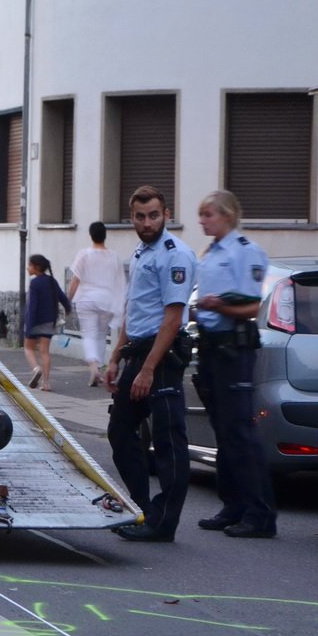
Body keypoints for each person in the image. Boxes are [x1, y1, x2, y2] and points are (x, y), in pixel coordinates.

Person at [106, 185, 196, 542]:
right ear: (132, 218)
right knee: (120, 430)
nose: (147, 222)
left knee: (169, 440)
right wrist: (116, 355)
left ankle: (164, 523)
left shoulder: (175, 255)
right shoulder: (143, 251)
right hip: (138, 352)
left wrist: (147, 369)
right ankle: (143, 508)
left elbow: (173, 318)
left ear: (166, 215)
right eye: (140, 217)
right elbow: (135, 308)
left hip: (162, 355)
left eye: (154, 215)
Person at [194, 190, 277, 538]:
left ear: (227, 214)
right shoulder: (212, 251)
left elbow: (251, 306)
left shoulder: (245, 251)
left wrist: (218, 307)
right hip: (212, 347)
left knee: (240, 430)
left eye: (208, 214)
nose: (202, 220)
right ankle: (233, 505)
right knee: (223, 431)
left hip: (234, 349)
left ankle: (261, 514)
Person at [67, 221, 127, 387]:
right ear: (105, 235)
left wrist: (68, 300)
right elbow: (119, 281)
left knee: (89, 334)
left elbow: (75, 280)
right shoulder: (114, 256)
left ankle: (94, 368)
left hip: (86, 299)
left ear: (91, 235)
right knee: (101, 335)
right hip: (106, 300)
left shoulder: (84, 254)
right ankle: (99, 366)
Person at [23, 254, 71, 392]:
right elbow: (62, 296)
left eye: (29, 265)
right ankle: (46, 383)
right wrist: (67, 308)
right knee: (45, 352)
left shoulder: (34, 283)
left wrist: (28, 326)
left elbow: (32, 306)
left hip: (35, 321)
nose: (28, 268)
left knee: (28, 348)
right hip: (49, 321)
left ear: (36, 267)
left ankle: (36, 369)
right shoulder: (51, 281)